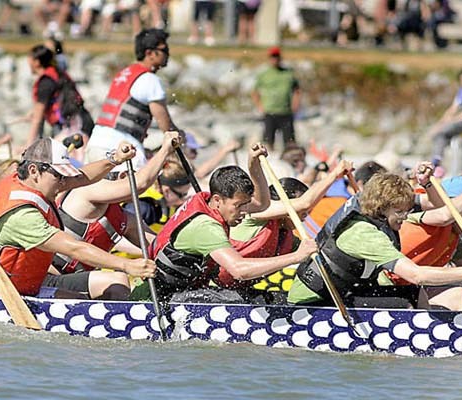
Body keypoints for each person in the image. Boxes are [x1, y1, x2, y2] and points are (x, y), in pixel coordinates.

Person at [0, 138, 156, 299]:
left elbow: (81, 177)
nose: (63, 182)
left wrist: (114, 160)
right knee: (86, 302)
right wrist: (127, 266)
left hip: (25, 287)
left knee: (83, 301)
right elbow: (74, 248)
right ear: (34, 171)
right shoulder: (21, 214)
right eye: (59, 176)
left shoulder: (28, 180)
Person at [288, 173, 462, 308]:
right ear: (381, 207)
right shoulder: (365, 234)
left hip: (346, 290)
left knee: (413, 293)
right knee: (406, 300)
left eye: (406, 211)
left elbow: (438, 207)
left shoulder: (384, 217)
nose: (405, 217)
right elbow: (417, 275)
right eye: (399, 212)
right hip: (313, 302)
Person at [148, 144, 317, 304]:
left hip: (185, 292)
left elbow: (261, 204)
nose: (245, 212)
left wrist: (253, 162)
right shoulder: (206, 227)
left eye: (245, 204)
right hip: (161, 300)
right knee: (261, 302)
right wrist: (296, 257)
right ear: (218, 200)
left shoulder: (213, 202)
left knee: (277, 299)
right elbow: (239, 270)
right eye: (239, 206)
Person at [53, 131, 180, 298]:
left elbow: (158, 247)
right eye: (135, 175)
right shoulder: (87, 191)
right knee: (117, 280)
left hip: (72, 280)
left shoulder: (125, 218)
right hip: (49, 277)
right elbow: (140, 184)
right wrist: (165, 149)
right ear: (123, 176)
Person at [394, 173, 462, 310]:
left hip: (410, 289)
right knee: (458, 296)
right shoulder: (420, 218)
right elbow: (445, 216)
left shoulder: (452, 238)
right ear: (457, 204)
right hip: (385, 287)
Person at [86, 29, 182, 167]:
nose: (168, 54)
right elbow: (166, 127)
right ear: (149, 53)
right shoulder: (150, 79)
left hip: (95, 143)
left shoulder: (125, 73)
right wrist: (180, 137)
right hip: (121, 148)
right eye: (164, 49)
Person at [26, 44, 92, 144]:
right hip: (83, 121)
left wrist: (28, 145)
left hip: (70, 127)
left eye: (29, 58)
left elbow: (37, 119)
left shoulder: (45, 82)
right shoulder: (59, 74)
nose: (28, 62)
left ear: (36, 62)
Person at [251, 47, 300, 150]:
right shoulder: (264, 74)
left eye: (277, 57)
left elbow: (296, 90)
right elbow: (255, 91)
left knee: (290, 142)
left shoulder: (288, 73)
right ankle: (270, 162)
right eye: (273, 57)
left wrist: (295, 104)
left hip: (285, 112)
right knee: (268, 142)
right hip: (270, 112)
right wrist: (260, 106)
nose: (275, 59)